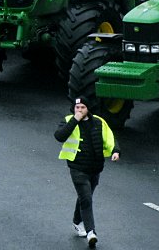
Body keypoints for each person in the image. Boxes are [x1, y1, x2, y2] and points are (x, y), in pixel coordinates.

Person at [54, 98, 120, 248]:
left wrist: (116, 151)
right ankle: (91, 232)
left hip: (95, 168)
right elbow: (59, 136)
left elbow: (110, 138)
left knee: (85, 197)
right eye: (77, 107)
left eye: (82, 107)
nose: (79, 110)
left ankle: (77, 221)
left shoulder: (98, 122)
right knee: (87, 198)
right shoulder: (68, 120)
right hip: (77, 168)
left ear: (88, 109)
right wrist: (75, 120)